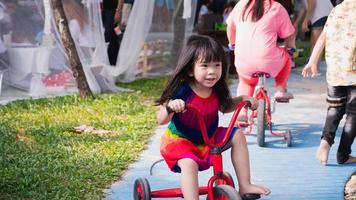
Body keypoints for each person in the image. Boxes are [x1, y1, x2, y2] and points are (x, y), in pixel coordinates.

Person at [156, 35, 271, 199]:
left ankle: (245, 185)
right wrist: (170, 108)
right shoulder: (182, 91)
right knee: (189, 164)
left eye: (217, 65)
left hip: (208, 138)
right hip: (181, 141)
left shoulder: (217, 89)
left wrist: (242, 99)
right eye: (204, 66)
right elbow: (161, 120)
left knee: (237, 135)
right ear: (190, 69)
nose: (212, 71)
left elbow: (225, 107)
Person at [302, 0, 356, 165]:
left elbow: (324, 36)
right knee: (353, 114)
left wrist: (312, 61)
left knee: (335, 108)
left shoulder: (337, 9)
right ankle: (344, 155)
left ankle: (325, 143)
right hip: (354, 71)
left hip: (335, 69)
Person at [226, 0, 296, 126]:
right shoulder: (276, 7)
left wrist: (233, 44)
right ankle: (281, 89)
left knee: (246, 82)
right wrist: (290, 48)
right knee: (286, 57)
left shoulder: (241, 5)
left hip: (243, 59)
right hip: (268, 59)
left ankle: (242, 111)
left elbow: (230, 27)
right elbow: (289, 35)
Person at [300, 0, 333, 71]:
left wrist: (306, 20)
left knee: (316, 43)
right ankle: (313, 67)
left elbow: (312, 4)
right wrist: (296, 23)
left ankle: (314, 69)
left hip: (322, 14)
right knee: (314, 42)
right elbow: (304, 8)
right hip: (323, 13)